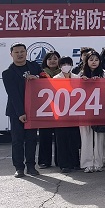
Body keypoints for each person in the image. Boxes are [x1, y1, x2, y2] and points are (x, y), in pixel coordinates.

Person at [3, 43, 43, 177]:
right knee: (17, 140)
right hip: (16, 112)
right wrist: (21, 113)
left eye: (22, 51)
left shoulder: (35, 66)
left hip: (33, 109)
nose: (20, 54)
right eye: (16, 52)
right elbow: (13, 94)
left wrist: (37, 78)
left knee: (32, 139)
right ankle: (19, 168)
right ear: (11, 55)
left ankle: (31, 166)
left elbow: (45, 79)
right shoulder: (7, 73)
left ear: (26, 52)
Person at [79, 50, 105, 173]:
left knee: (100, 137)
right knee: (86, 136)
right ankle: (87, 163)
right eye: (91, 59)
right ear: (86, 61)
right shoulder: (80, 74)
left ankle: (98, 162)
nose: (94, 62)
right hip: (85, 109)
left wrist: (100, 82)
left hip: (100, 109)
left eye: (96, 60)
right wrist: (82, 82)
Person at [52, 56, 82, 172]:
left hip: (74, 112)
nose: (66, 66)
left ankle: (75, 162)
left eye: (68, 64)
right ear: (60, 66)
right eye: (63, 64)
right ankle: (64, 164)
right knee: (62, 139)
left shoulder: (76, 77)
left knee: (74, 138)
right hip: (60, 113)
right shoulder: (56, 78)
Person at [38, 50, 61, 168]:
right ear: (45, 61)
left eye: (55, 58)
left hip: (60, 109)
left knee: (60, 136)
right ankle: (44, 161)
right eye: (50, 59)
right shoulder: (40, 74)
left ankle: (60, 160)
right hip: (45, 109)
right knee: (44, 136)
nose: (52, 61)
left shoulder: (64, 74)